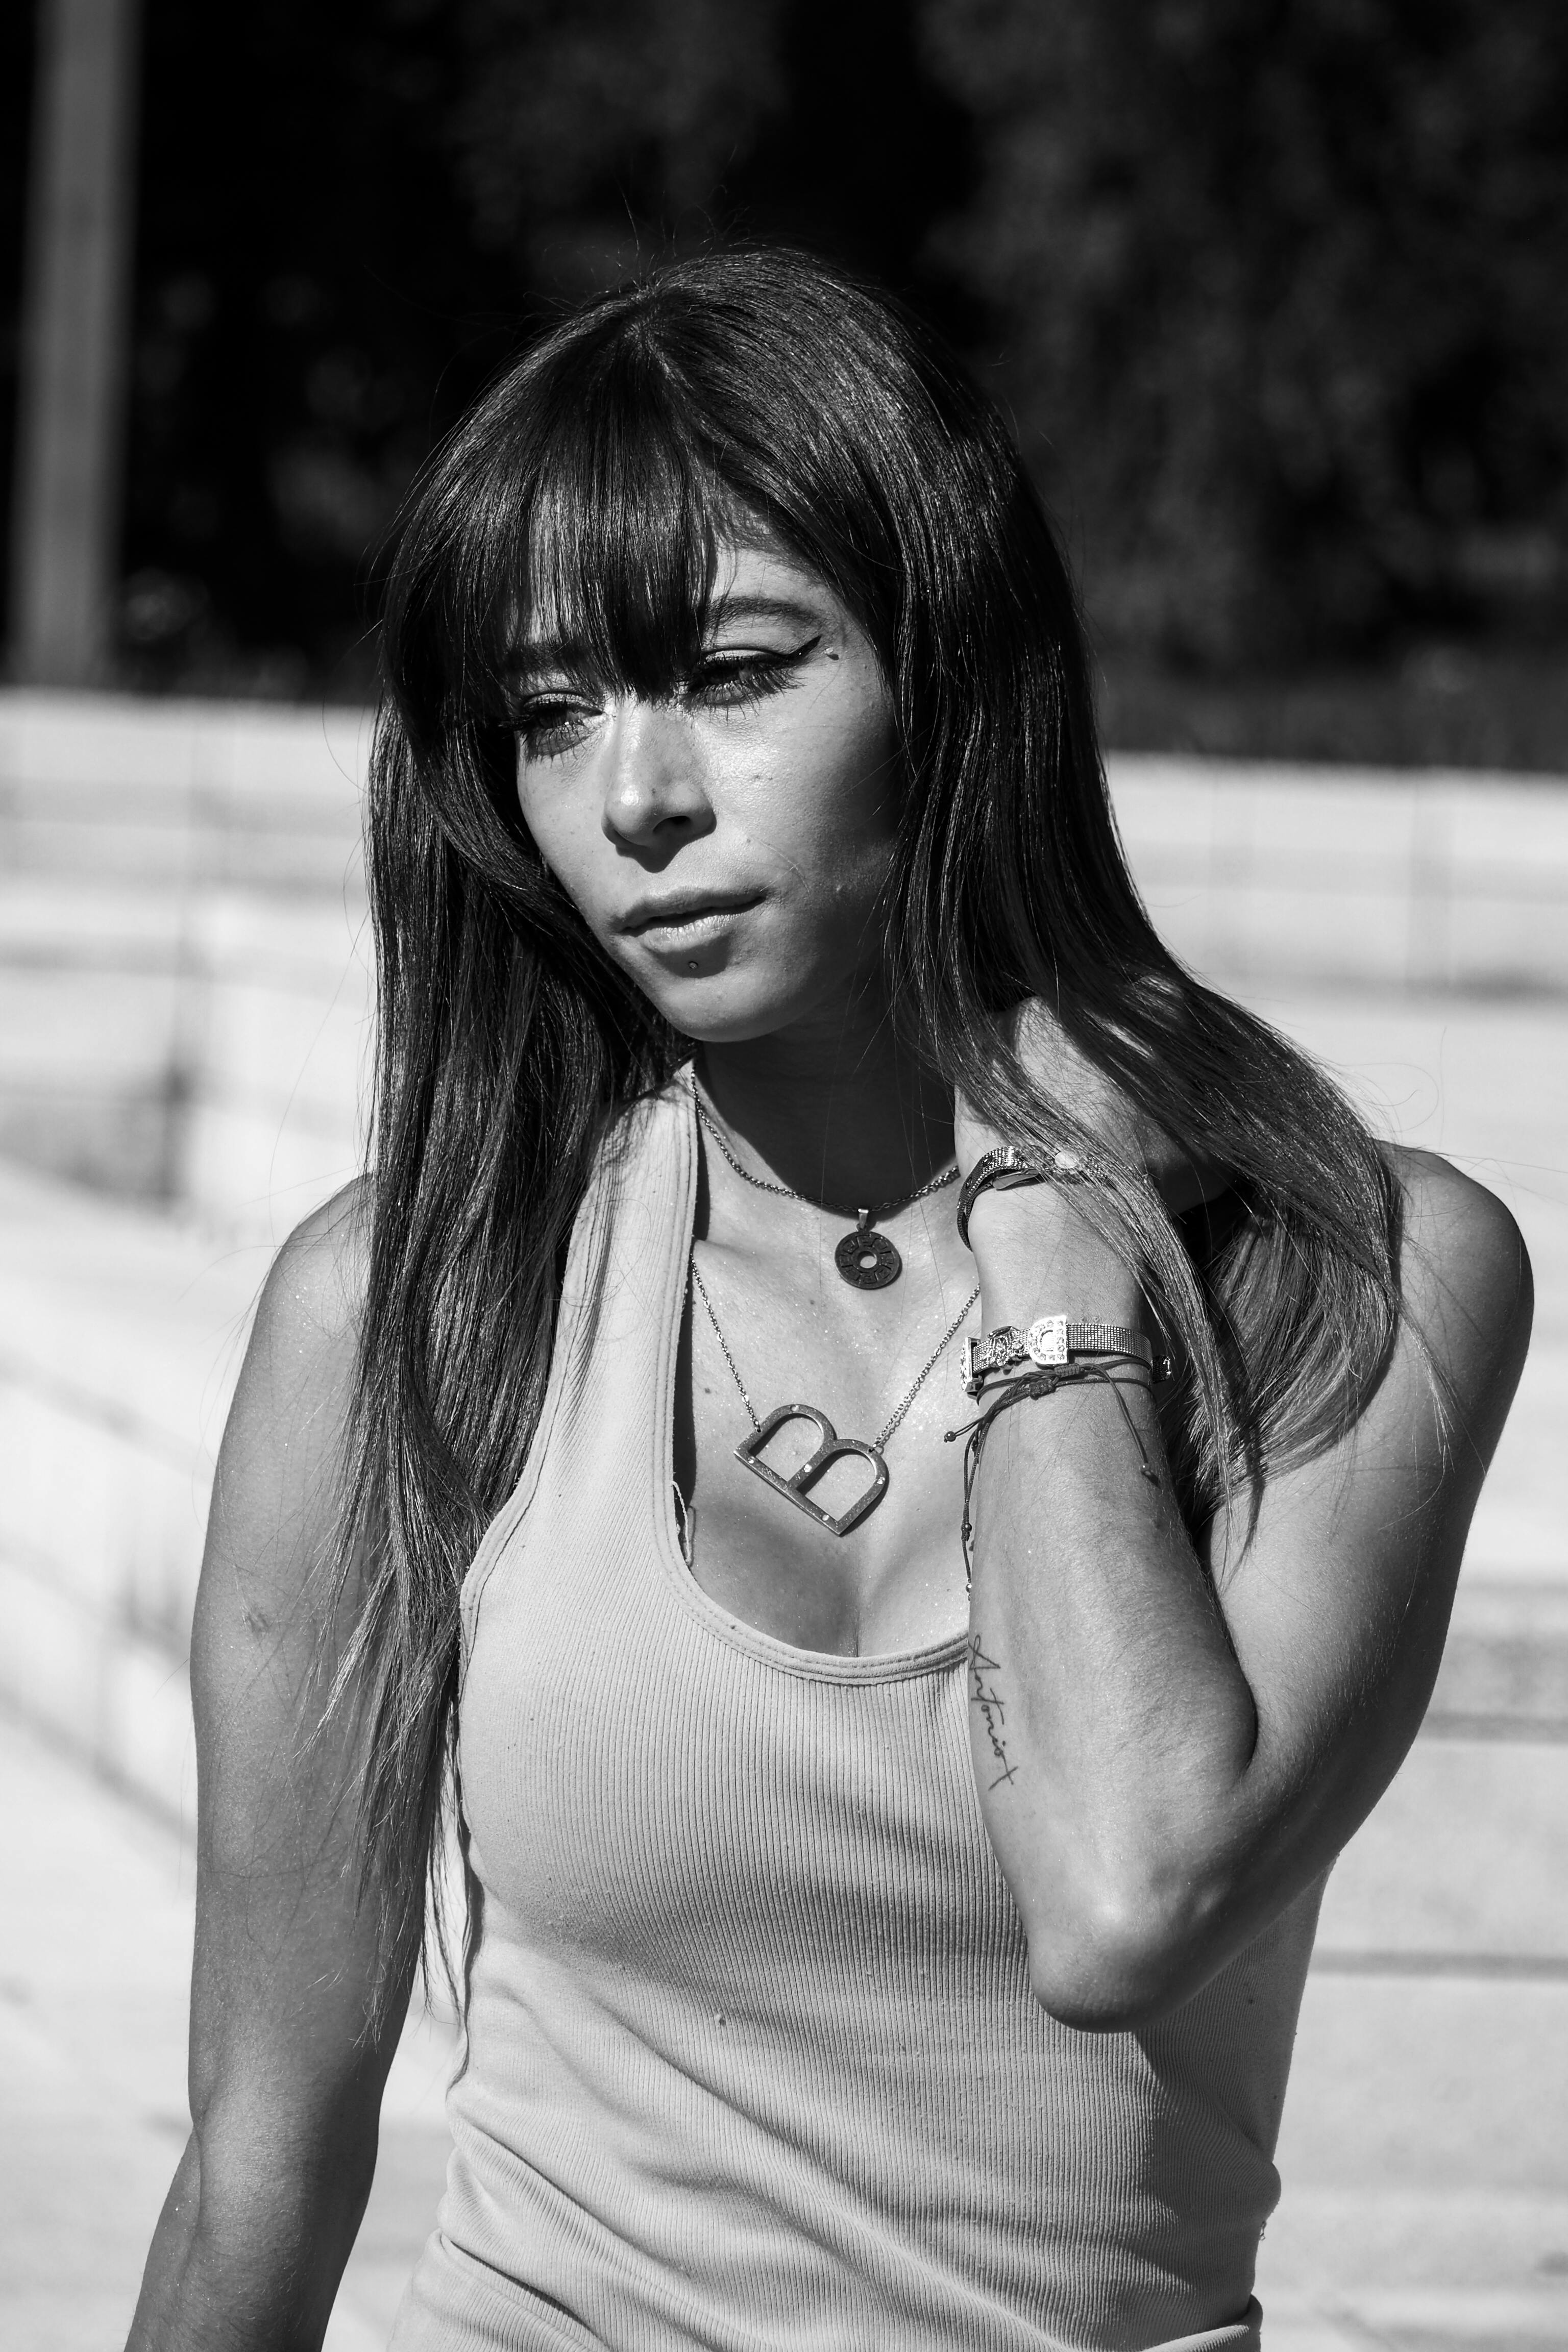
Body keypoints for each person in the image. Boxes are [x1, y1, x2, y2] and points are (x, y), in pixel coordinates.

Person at [127, 247, 1531, 2352]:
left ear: (953, 674)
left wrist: (1054, 1222)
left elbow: (1130, 1890)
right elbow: (262, 2143)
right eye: (549, 715)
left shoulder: (1356, 1270)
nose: (637, 800)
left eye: (734, 668)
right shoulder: (412, 1304)